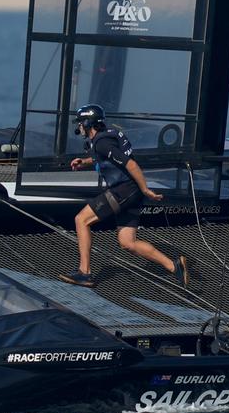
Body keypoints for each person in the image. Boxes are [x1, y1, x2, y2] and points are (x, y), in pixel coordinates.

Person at [59, 104, 187, 289]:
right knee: (128, 242)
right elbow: (107, 156)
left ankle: (84, 273)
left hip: (125, 190)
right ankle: (174, 266)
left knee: (81, 220)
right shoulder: (109, 134)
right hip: (131, 192)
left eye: (80, 123)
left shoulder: (102, 142)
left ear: (87, 123)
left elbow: (131, 165)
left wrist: (146, 190)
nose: (78, 127)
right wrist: (85, 161)